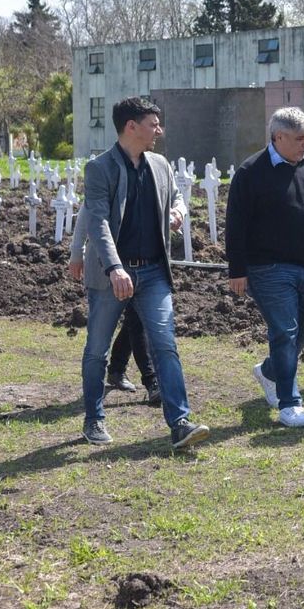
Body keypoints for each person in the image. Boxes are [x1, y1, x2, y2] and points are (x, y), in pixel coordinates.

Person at [70, 96, 209, 449]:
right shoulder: (100, 168)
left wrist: (178, 212)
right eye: (153, 124)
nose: (159, 130)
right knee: (97, 351)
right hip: (111, 276)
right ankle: (94, 418)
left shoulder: (160, 165)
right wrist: (114, 267)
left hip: (153, 273)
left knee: (165, 345)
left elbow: (178, 198)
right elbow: (97, 221)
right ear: (131, 127)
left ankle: (180, 423)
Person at [225, 107, 304, 428]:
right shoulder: (251, 172)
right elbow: (235, 225)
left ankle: (268, 371)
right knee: (285, 331)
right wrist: (236, 269)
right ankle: (289, 404)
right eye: (299, 138)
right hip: (267, 268)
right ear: (278, 137)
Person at [70, 207, 161, 406]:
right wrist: (77, 252)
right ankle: (151, 379)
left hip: (143, 263)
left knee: (136, 320)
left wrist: (178, 212)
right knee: (131, 322)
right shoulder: (107, 176)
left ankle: (121, 370)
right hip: (110, 265)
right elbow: (88, 210)